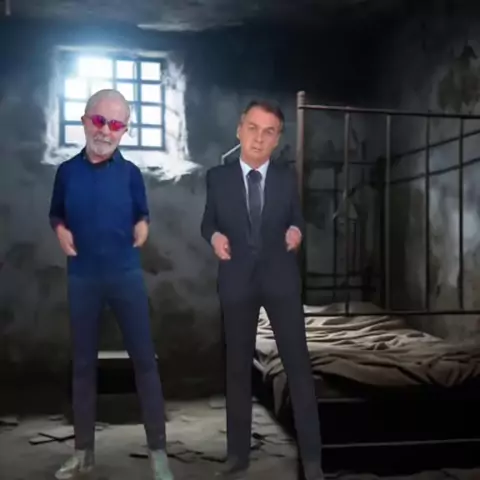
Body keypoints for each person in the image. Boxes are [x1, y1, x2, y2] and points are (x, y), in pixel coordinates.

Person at [48, 89, 174, 480]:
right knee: (83, 364)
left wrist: (143, 225)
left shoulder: (131, 174)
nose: (105, 130)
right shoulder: (66, 172)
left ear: (125, 130)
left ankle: (158, 452)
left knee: (144, 361)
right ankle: (83, 452)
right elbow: (56, 213)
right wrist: (60, 230)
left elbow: (142, 212)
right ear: (85, 121)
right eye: (99, 120)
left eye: (116, 124)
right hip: (82, 276)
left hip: (125, 275)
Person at [200, 100, 324, 480]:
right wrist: (215, 237)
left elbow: (297, 218)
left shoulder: (286, 177)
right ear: (239, 130)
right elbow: (208, 222)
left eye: (268, 132)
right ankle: (237, 455)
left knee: (298, 367)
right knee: (237, 370)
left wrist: (296, 231)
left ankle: (312, 460)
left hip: (280, 281)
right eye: (252, 128)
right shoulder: (217, 177)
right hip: (237, 281)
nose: (258, 138)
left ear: (277, 139)